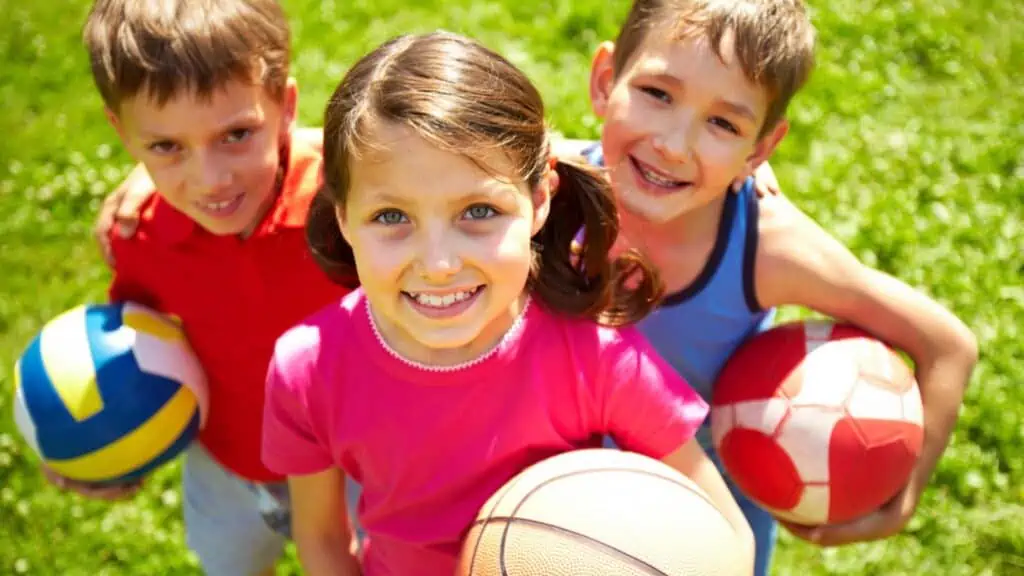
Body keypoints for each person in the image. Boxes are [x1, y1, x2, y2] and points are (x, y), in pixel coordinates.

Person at [260, 31, 754, 576]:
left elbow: (727, 532)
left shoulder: (595, 357)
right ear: (345, 216)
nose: (440, 262)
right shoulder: (307, 368)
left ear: (539, 199)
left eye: (478, 211)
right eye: (392, 217)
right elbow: (323, 538)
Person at [569, 0, 978, 573]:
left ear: (759, 149)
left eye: (723, 124)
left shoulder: (764, 247)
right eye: (658, 93)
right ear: (606, 80)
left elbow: (947, 344)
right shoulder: (546, 191)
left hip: (704, 522)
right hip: (553, 499)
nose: (673, 144)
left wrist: (901, 501)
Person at [46, 2, 353, 575]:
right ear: (122, 132)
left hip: (356, 464)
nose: (210, 180)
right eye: (166, 147)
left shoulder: (350, 208)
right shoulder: (139, 234)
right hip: (225, 466)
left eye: (236, 134)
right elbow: (144, 354)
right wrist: (108, 447)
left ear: (285, 107)